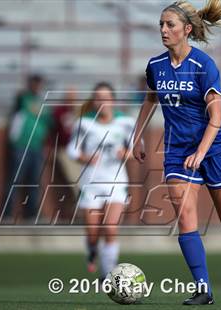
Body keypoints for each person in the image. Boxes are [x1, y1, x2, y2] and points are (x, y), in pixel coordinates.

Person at [132, 0, 221, 305]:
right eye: (161, 24)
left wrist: (201, 152)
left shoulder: (203, 66)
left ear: (187, 29)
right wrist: (137, 138)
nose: (163, 30)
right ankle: (203, 290)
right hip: (177, 151)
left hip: (215, 149)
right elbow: (149, 100)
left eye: (170, 24)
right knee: (185, 218)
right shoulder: (155, 66)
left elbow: (216, 118)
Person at [66, 82, 135, 279]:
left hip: (116, 181)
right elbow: (72, 149)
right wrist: (84, 157)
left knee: (111, 228)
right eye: (97, 98)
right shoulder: (84, 123)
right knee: (93, 232)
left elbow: (138, 149)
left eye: (105, 98)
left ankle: (107, 275)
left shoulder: (126, 122)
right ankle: (92, 252)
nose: (101, 102)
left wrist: (126, 153)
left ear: (113, 101)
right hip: (91, 182)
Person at [2, 74, 53, 221]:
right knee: (14, 180)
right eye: (35, 83)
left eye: (39, 83)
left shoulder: (43, 103)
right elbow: (16, 112)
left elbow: (49, 124)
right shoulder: (23, 98)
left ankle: (32, 214)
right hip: (21, 145)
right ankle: (7, 213)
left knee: (35, 182)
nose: (37, 86)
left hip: (37, 146)